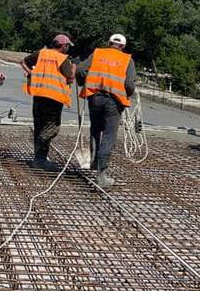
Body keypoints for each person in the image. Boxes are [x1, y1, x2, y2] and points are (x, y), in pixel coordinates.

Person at [76, 33, 136, 188]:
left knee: (95, 129)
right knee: (109, 135)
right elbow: (129, 84)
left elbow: (80, 70)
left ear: (109, 43)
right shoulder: (127, 59)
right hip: (114, 102)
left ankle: (94, 162)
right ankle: (101, 176)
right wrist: (128, 94)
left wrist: (83, 81)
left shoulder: (97, 53)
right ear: (122, 46)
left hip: (94, 98)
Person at [22, 34, 76, 171]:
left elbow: (24, 62)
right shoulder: (63, 59)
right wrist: (74, 68)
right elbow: (70, 79)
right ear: (63, 46)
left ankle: (38, 158)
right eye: (67, 46)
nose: (68, 48)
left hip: (39, 95)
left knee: (39, 126)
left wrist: (30, 73)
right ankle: (40, 159)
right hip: (53, 99)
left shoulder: (42, 53)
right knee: (51, 129)